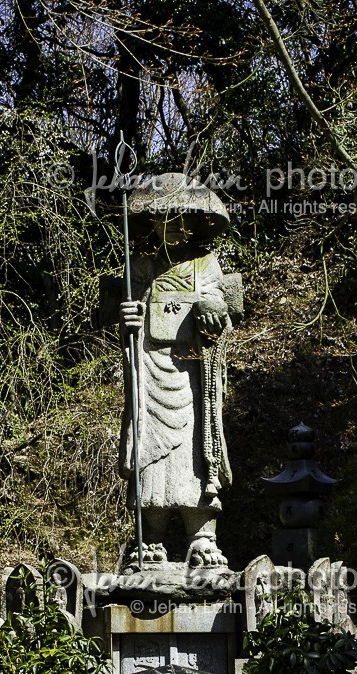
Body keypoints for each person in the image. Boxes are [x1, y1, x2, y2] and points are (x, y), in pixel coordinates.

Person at [109, 173, 242, 570]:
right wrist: (128, 319)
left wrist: (213, 314)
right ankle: (148, 538)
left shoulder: (207, 266)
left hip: (192, 374)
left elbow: (224, 308)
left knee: (196, 454)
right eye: (164, 220)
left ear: (193, 224)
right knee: (149, 454)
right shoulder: (142, 268)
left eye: (180, 220)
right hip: (150, 371)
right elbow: (126, 313)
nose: (173, 229)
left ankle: (202, 536)